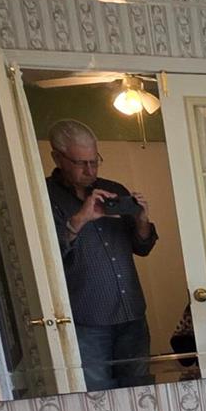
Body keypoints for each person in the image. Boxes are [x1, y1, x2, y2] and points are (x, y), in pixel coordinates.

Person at [46, 118, 158, 390]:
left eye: (94, 161)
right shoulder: (44, 196)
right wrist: (79, 220)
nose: (90, 170)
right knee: (96, 395)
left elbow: (142, 248)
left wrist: (142, 220)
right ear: (58, 158)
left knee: (140, 389)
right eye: (81, 163)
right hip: (88, 319)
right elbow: (46, 259)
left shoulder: (114, 190)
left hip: (131, 312)